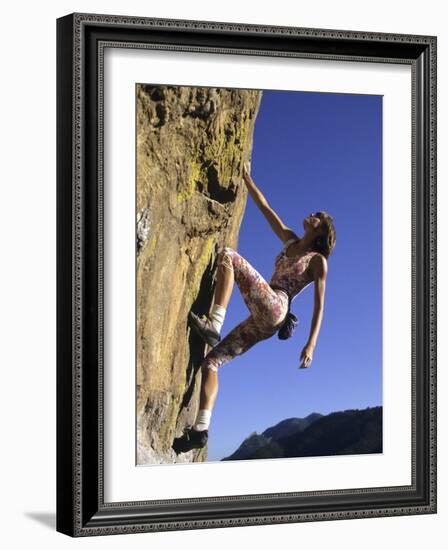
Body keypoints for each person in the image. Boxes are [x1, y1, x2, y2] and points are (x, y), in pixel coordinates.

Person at [173, 163, 336, 454]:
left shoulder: (317, 261)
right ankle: (200, 429)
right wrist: (247, 179)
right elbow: (266, 209)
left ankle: (215, 323)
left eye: (316, 217)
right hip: (265, 319)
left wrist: (311, 344)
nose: (310, 215)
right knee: (212, 362)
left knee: (228, 256)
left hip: (276, 306)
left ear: (321, 229)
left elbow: (319, 305)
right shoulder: (290, 240)